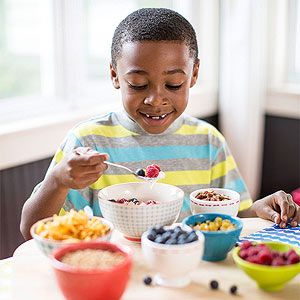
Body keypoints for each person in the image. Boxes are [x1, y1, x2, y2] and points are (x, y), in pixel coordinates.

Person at [20, 8, 299, 240]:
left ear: (194, 74)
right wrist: (58, 181)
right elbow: (32, 230)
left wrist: (261, 209)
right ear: (115, 76)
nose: (156, 99)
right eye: (138, 84)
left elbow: (232, 219)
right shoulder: (88, 142)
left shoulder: (208, 141)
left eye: (173, 84)